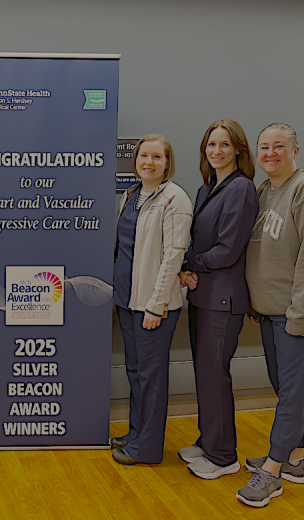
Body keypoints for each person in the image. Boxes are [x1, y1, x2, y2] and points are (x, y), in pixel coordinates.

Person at [236, 123, 304, 508]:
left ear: (295, 150)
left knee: (293, 395)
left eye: (279, 146)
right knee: (288, 390)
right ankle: (295, 460)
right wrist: (257, 303)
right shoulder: (263, 192)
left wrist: (299, 315)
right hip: (272, 313)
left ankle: (272, 471)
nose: (270, 153)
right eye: (264, 147)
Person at [178, 119, 259, 480]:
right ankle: (208, 441)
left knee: (215, 375)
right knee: (205, 374)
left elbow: (227, 251)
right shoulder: (207, 188)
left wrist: (189, 264)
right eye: (211, 145)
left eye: (225, 144)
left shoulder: (241, 188)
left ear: (239, 150)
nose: (217, 151)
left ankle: (223, 456)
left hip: (223, 301)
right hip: (202, 296)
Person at [110, 134, 193, 465]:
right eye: (144, 155)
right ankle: (136, 434)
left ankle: (147, 448)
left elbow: (174, 255)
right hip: (126, 300)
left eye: (157, 156)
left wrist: (156, 305)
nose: (149, 162)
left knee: (151, 377)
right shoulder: (131, 195)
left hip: (152, 306)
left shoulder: (175, 198)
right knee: (135, 372)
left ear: (167, 162)